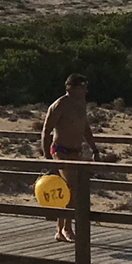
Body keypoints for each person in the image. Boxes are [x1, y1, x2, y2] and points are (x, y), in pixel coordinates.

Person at [41, 73, 98, 241]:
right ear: (70, 88)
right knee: (72, 187)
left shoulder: (82, 104)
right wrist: (48, 159)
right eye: (81, 87)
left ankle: (60, 229)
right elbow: (46, 132)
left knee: (71, 190)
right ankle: (67, 228)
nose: (85, 91)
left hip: (76, 152)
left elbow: (85, 128)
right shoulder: (59, 105)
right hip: (60, 151)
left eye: (85, 87)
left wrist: (94, 148)